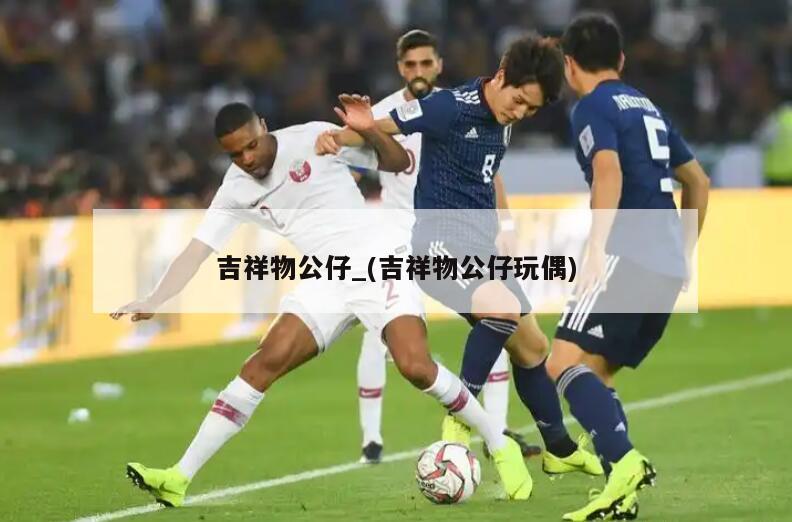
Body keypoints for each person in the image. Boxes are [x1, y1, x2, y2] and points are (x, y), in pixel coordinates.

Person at [111, 99, 534, 507]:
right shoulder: (234, 190)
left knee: (415, 366)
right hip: (327, 278)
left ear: (264, 126)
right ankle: (179, 477)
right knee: (262, 363)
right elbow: (197, 250)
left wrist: (368, 130)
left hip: (377, 257)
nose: (247, 158)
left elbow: (397, 162)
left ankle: (499, 444)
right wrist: (155, 297)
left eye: (251, 145)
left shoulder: (313, 138)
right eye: (235, 154)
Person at [317, 34, 602, 483]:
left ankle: (560, 450)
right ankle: (460, 419)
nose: (520, 113)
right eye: (520, 102)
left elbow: (490, 173)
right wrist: (336, 136)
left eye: (531, 109)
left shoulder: (503, 111)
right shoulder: (448, 107)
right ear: (502, 78)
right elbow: (377, 128)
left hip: (481, 249)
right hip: (437, 245)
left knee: (533, 348)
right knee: (502, 311)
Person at [546, 13, 710, 521]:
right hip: (664, 261)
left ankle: (625, 462)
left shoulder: (592, 107)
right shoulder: (649, 107)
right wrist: (684, 251)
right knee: (596, 373)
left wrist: (596, 247)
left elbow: (607, 171)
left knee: (559, 363)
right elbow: (698, 181)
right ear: (620, 59)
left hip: (626, 250)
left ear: (569, 65)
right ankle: (622, 491)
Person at [353, 28, 538, 465]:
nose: (418, 70)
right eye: (410, 64)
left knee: (497, 322)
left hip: (455, 234)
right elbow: (351, 166)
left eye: (426, 62)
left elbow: (490, 171)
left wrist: (506, 223)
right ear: (400, 68)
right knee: (378, 336)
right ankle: (371, 442)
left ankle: (495, 429)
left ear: (438, 65)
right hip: (398, 237)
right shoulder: (381, 114)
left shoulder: (461, 106)